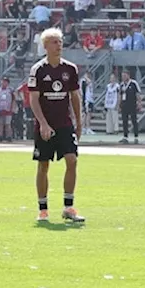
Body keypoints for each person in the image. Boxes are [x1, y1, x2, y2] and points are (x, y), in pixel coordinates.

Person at [26, 29, 85, 223]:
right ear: (45, 46)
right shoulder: (38, 70)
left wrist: (79, 122)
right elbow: (33, 100)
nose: (58, 45)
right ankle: (43, 209)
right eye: (54, 42)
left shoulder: (70, 69)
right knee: (43, 165)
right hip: (45, 125)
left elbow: (75, 96)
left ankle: (68, 207)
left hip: (64, 124)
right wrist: (43, 124)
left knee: (72, 160)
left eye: (60, 41)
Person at [120, 69, 141, 143]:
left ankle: (136, 137)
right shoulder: (122, 84)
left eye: (125, 75)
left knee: (134, 121)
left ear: (128, 75)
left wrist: (139, 103)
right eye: (122, 76)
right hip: (124, 105)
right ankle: (125, 136)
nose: (123, 77)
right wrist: (120, 104)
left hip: (132, 105)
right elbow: (121, 95)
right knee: (124, 121)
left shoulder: (133, 83)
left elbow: (137, 94)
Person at [104, 70, 121, 134]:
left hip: (114, 104)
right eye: (111, 78)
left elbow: (119, 95)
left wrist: (118, 104)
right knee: (108, 118)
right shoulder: (108, 86)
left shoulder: (117, 86)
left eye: (113, 78)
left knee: (115, 118)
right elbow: (106, 95)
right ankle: (109, 130)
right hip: (108, 104)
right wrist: (105, 104)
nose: (112, 79)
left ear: (115, 79)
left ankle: (116, 129)